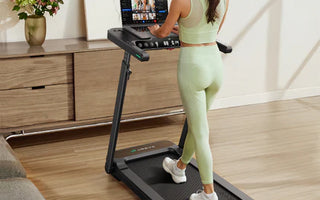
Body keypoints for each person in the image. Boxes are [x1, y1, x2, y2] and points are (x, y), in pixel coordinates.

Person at [148, 0, 229, 199]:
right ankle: (179, 167)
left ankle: (209, 195)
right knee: (196, 126)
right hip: (215, 66)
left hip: (193, 66)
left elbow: (163, 33)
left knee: (201, 133)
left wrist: (155, 30)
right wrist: (184, 30)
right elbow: (212, 30)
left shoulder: (181, 1)